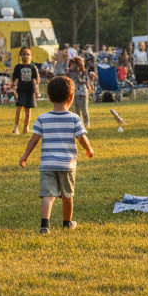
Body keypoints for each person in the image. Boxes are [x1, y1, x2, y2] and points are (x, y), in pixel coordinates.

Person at [18, 75, 94, 234]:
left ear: (50, 97)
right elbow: (82, 138)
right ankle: (67, 223)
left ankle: (45, 225)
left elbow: (34, 139)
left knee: (48, 195)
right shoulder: (74, 118)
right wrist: (88, 150)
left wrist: (25, 155)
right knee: (67, 195)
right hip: (67, 165)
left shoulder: (42, 118)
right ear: (71, 97)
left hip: (47, 165)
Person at [11, 47, 40, 134]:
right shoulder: (18, 67)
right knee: (18, 109)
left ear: (31, 56)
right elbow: (14, 78)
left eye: (28, 54)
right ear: (21, 56)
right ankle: (16, 127)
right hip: (21, 90)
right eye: (24, 54)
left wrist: (36, 90)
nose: (25, 56)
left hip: (30, 91)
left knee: (28, 110)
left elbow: (37, 79)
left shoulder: (33, 67)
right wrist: (14, 88)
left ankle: (26, 127)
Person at [67, 57, 94, 130]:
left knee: (84, 109)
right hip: (74, 92)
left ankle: (86, 124)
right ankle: (78, 124)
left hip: (83, 92)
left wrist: (89, 87)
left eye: (73, 64)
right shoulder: (70, 72)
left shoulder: (83, 71)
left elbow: (84, 80)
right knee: (76, 109)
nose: (72, 66)